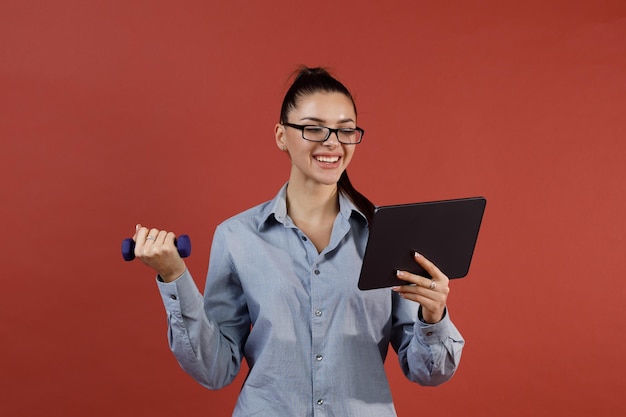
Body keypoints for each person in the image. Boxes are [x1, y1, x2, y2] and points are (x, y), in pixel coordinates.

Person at [132, 66, 464, 416]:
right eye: (313, 128)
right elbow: (215, 369)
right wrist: (174, 277)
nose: (332, 142)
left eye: (345, 130)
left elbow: (429, 373)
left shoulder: (389, 234)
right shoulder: (236, 237)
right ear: (280, 135)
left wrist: (434, 314)